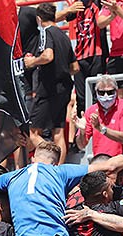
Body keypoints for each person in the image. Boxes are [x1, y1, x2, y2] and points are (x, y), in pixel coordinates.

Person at [24, 3, 79, 165]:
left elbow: (48, 56)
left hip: (48, 88)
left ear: (39, 19)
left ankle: (51, 158)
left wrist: (32, 61)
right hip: (65, 88)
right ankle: (58, 169)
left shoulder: (45, 33)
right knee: (58, 131)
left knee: (32, 132)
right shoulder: (64, 36)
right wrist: (61, 71)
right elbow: (74, 68)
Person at [75, 75, 123, 157]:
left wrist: (101, 129)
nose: (106, 96)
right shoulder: (91, 110)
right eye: (101, 93)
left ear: (116, 91)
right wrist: (82, 132)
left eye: (110, 92)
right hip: (100, 163)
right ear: (96, 92)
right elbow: (81, 145)